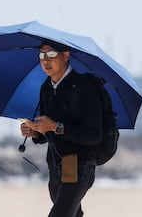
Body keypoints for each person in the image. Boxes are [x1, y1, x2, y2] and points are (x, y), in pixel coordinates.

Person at [20, 39, 103, 217]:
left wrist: (56, 127)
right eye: (41, 55)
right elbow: (46, 134)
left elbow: (94, 135)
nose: (45, 60)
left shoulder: (86, 87)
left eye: (50, 54)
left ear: (66, 55)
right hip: (55, 165)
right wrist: (35, 132)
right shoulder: (46, 88)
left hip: (79, 164)